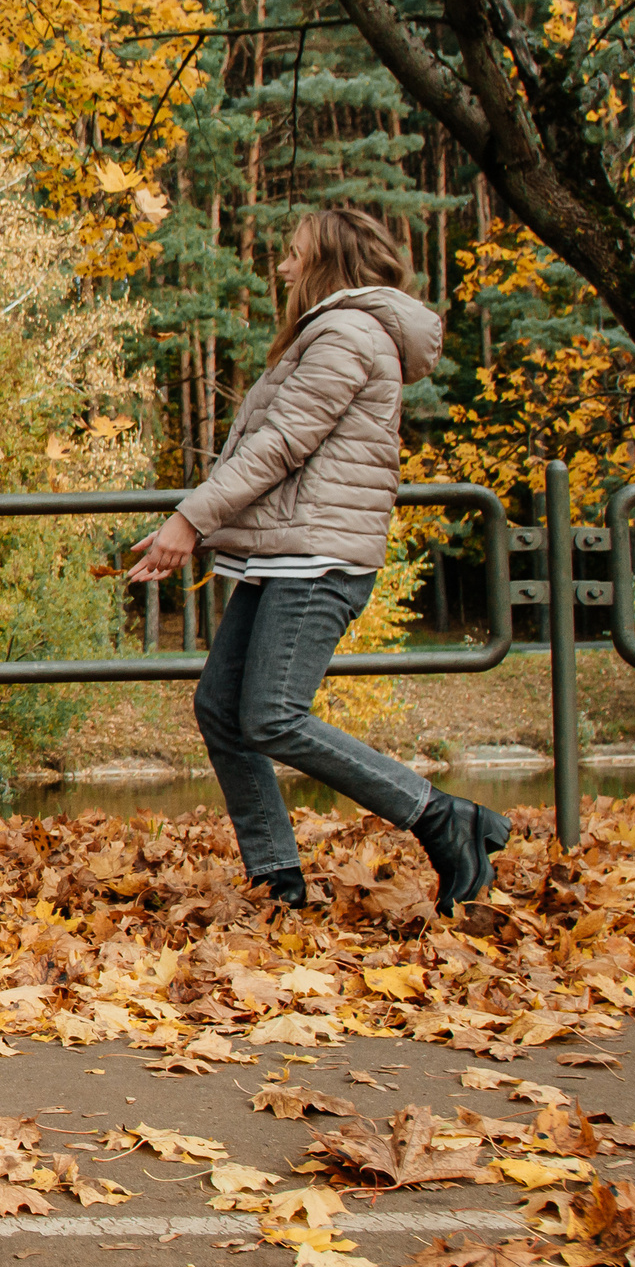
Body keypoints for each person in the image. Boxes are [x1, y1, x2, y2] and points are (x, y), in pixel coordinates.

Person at [128, 207, 508, 916]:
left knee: (270, 715)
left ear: (328, 264)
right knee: (221, 706)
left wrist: (189, 520)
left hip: (319, 559)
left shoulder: (345, 334)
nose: (282, 268)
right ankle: (276, 875)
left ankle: (439, 816)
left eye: (295, 256)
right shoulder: (333, 334)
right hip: (287, 555)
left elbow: (278, 447)